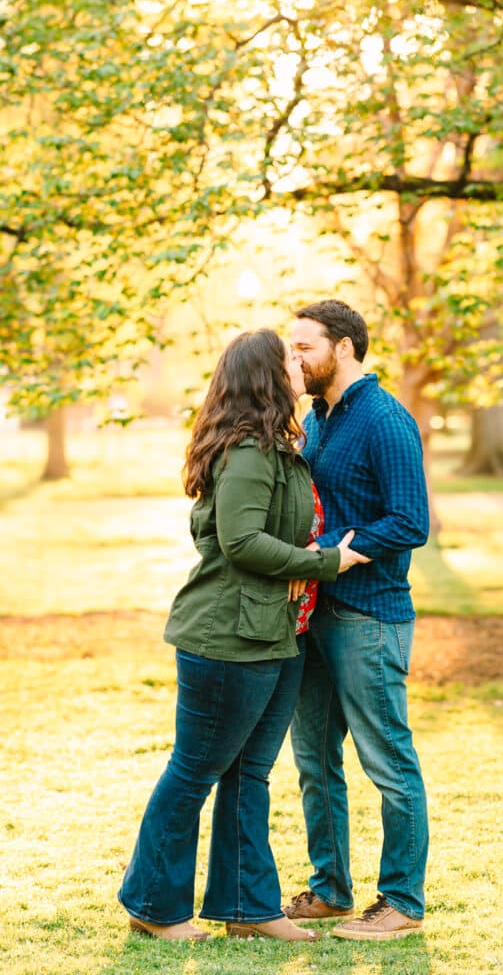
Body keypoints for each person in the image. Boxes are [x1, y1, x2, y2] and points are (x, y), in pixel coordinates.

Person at [118, 328, 368, 943]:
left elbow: (268, 537)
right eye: (288, 357)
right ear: (265, 376)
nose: (297, 364)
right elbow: (241, 542)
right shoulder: (249, 452)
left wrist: (300, 559)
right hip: (227, 640)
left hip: (275, 636)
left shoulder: (277, 445)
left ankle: (248, 909)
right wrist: (323, 562)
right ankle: (153, 906)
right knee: (194, 771)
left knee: (248, 775)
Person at [286, 300, 430, 941]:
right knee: (315, 761)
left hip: (370, 616)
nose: (294, 359)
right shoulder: (317, 418)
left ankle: (401, 903)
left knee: (388, 763)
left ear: (343, 348)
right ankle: (330, 890)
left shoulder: (384, 417)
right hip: (313, 619)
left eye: (304, 348)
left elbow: (410, 521)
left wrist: (335, 557)